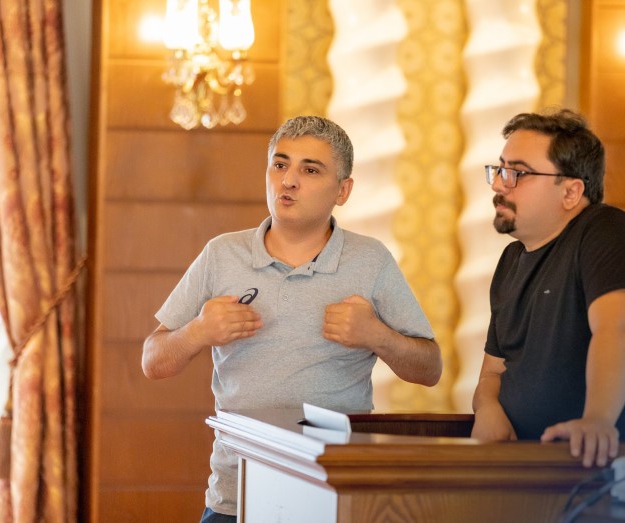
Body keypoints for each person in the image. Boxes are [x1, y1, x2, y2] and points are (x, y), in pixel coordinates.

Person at [142, 115, 443, 523]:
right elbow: (153, 361)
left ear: (343, 190)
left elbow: (429, 369)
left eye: (310, 170)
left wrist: (378, 336)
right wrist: (198, 331)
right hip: (235, 497)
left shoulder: (371, 260)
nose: (288, 181)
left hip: (334, 496)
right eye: (280, 165)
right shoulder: (221, 254)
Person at [470, 108, 625, 468]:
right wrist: (488, 408)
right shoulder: (511, 260)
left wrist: (597, 421)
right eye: (500, 169)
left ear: (571, 192)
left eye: (517, 173)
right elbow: (493, 371)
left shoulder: (605, 229)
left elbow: (616, 330)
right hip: (543, 470)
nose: (498, 185)